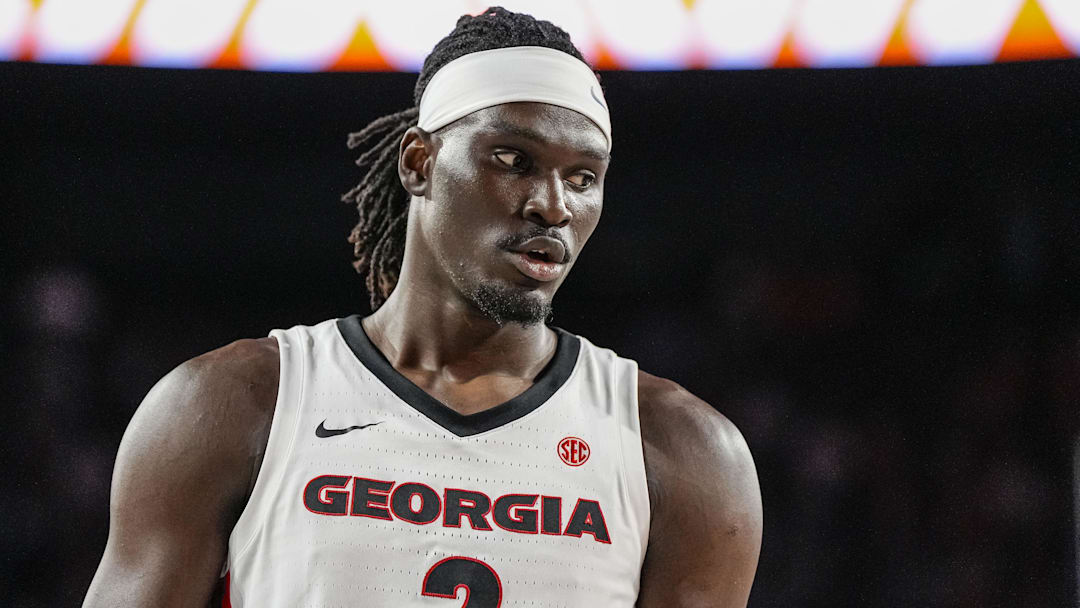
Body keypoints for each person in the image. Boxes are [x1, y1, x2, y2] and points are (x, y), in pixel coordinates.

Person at [83, 7, 762, 607]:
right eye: (513, 159)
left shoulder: (684, 452)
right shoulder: (231, 404)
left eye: (583, 178)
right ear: (417, 163)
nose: (553, 204)